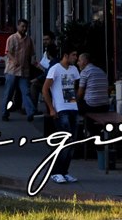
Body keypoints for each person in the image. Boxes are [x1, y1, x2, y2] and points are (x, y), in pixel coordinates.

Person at [42, 47, 81, 184]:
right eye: (73, 54)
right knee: (65, 141)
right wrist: (51, 109)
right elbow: (45, 89)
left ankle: (64, 171)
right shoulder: (55, 69)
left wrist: (76, 101)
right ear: (66, 55)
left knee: (72, 142)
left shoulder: (74, 70)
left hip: (72, 107)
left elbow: (74, 87)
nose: (76, 58)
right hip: (61, 108)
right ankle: (56, 172)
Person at [1, 19, 36, 121]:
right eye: (22, 26)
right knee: (9, 93)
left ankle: (30, 113)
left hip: (24, 71)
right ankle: (5, 113)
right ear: (18, 26)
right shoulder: (12, 38)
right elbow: (7, 52)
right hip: (12, 71)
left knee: (26, 92)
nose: (24, 29)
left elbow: (31, 55)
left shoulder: (29, 40)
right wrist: (14, 60)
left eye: (25, 27)